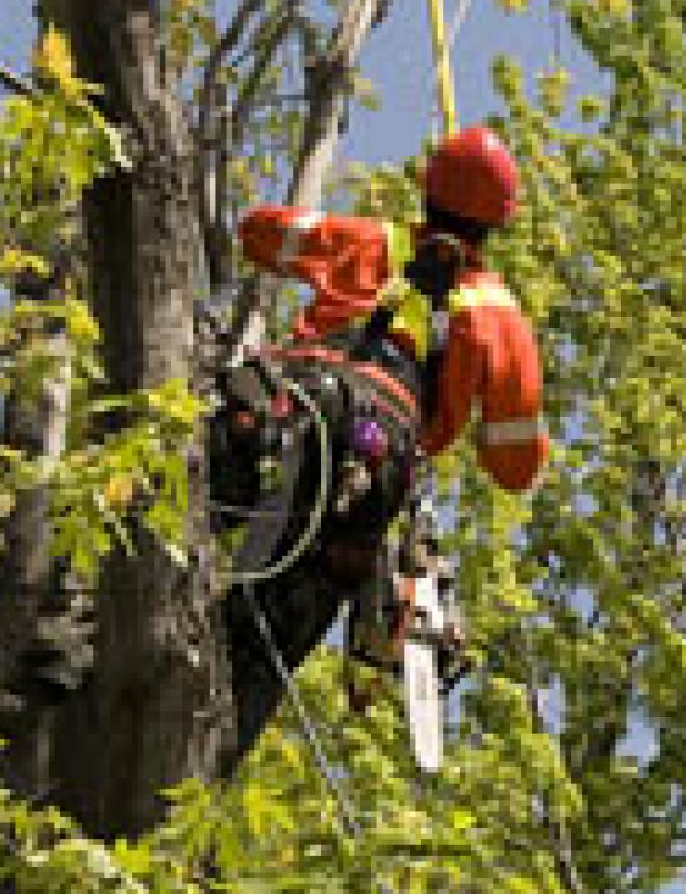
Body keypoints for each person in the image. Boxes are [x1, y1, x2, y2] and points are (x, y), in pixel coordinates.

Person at [214, 124, 547, 756]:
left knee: (165, 505)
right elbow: (515, 465)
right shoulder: (497, 312)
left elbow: (257, 230)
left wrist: (329, 246)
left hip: (292, 406)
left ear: (427, 189)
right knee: (253, 661)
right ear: (500, 221)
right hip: (374, 465)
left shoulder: (369, 242)